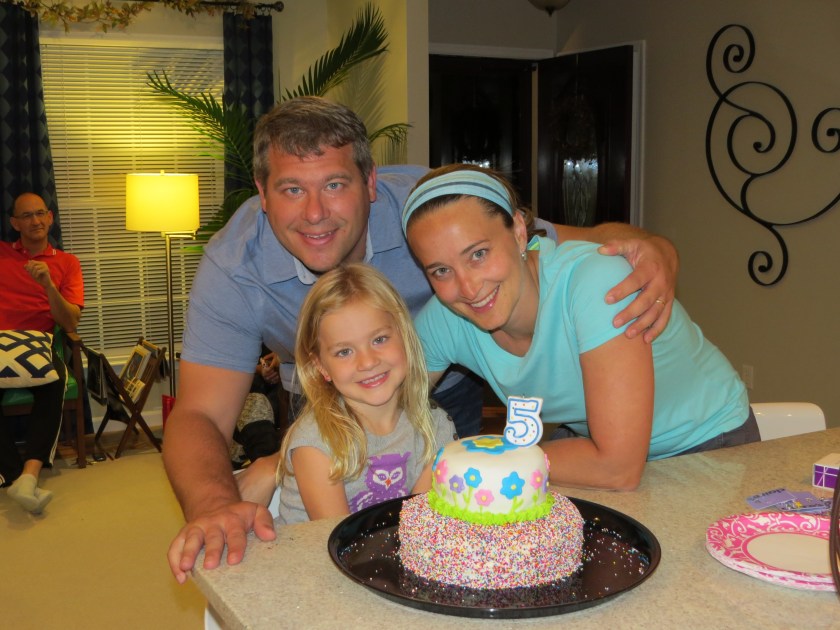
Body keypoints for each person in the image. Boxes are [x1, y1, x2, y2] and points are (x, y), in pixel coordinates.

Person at [164, 96, 679, 582]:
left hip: (437, 387)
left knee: (455, 531)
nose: (315, 212)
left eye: (336, 184)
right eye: (292, 188)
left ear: (370, 182)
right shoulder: (234, 267)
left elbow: (547, 238)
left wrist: (651, 245)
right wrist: (218, 504)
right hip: (327, 398)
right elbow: (200, 414)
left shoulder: (428, 208)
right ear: (262, 191)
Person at [402, 164, 758, 491]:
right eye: (440, 271)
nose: (467, 287)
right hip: (593, 448)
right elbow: (384, 409)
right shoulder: (445, 316)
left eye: (478, 253)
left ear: (519, 232)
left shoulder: (597, 282)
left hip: (706, 444)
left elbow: (617, 469)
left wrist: (475, 463)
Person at [266, 263, 455, 524]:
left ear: (405, 336)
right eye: (344, 352)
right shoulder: (316, 443)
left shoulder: (435, 427)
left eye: (379, 339)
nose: (367, 362)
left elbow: (420, 526)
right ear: (321, 366)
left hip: (388, 553)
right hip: (312, 560)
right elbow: (338, 544)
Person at [0, 193, 84, 513]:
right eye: (26, 216)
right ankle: (13, 476)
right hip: (0, 342)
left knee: (54, 380)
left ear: (50, 218)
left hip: (39, 342)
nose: (35, 221)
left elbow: (70, 321)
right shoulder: (2, 254)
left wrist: (49, 285)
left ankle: (31, 474)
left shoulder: (67, 262)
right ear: (14, 223)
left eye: (40, 214)